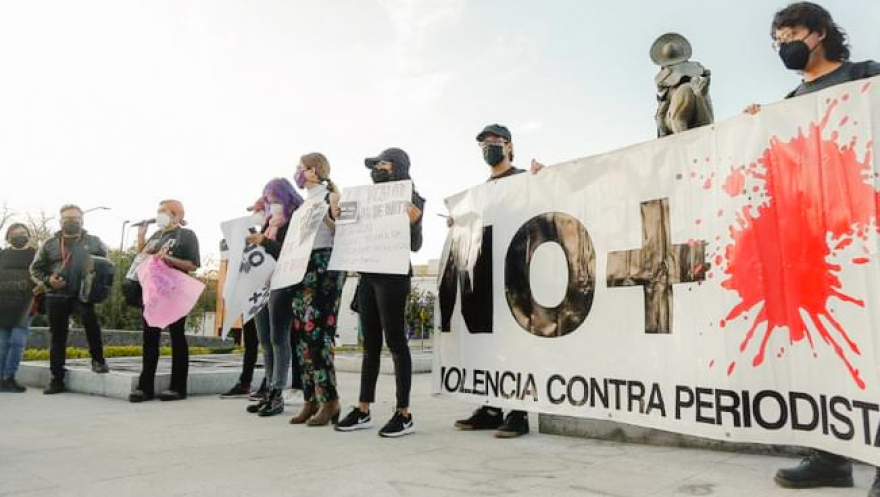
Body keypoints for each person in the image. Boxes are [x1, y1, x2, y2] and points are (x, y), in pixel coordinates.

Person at [742, 3, 880, 495]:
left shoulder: (866, 76)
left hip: (865, 229)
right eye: (778, 39)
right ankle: (831, 457)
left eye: (792, 33)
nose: (784, 45)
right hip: (818, 243)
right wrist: (755, 127)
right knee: (831, 350)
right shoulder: (790, 102)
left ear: (819, 33)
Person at [451, 124, 543, 438]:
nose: (488, 147)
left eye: (494, 141)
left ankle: (519, 413)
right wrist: (458, 221)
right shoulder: (480, 193)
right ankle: (491, 408)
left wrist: (546, 180)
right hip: (486, 273)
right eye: (483, 144)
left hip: (517, 271)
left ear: (509, 146)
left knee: (517, 342)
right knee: (489, 343)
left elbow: (546, 203)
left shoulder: (525, 179)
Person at [335, 147, 425, 438]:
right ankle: (363, 408)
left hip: (393, 276)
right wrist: (340, 217)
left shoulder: (412, 197)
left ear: (397, 167)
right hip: (368, 275)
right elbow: (351, 234)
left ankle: (404, 413)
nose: (376, 169)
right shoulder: (365, 199)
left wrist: (414, 223)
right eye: (374, 165)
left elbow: (416, 245)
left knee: (396, 341)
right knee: (370, 344)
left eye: (382, 164)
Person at [285, 153, 345, 427]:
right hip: (301, 266)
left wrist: (328, 218)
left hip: (324, 264)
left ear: (314, 171)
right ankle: (311, 398)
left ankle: (329, 400)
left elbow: (342, 230)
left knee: (317, 334)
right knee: (301, 335)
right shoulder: (302, 205)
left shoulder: (331, 197)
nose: (297, 172)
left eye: (301, 168)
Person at [31, 204, 110, 395]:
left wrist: (96, 287)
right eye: (67, 219)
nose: (71, 221)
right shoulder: (49, 244)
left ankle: (98, 361)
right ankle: (56, 378)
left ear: (81, 220)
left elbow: (106, 266)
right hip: (56, 295)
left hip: (83, 294)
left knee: (92, 325)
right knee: (57, 336)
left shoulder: (94, 242)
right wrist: (48, 280)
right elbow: (35, 269)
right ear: (60, 221)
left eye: (75, 218)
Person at [129, 200, 200, 402]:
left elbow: (192, 264)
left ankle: (178, 387)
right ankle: (145, 387)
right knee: (150, 337)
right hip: (153, 292)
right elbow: (142, 258)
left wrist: (169, 259)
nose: (159, 215)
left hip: (175, 290)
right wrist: (141, 237)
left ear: (176, 215)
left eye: (164, 211)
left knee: (177, 336)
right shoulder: (157, 235)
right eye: (158, 211)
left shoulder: (186, 235)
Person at [249, 178, 308, 417]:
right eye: (268, 200)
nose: (271, 204)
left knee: (278, 339)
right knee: (264, 339)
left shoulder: (294, 221)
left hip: (283, 284)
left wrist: (265, 242)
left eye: (274, 199)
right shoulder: (269, 223)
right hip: (261, 284)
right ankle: (268, 389)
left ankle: (277, 392)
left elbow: (289, 253)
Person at [0, 224, 37, 393]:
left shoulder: (35, 255)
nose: (19, 236)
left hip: (25, 304)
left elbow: (42, 274)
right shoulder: (2, 255)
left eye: (23, 233)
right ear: (8, 237)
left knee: (17, 342)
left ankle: (9, 377)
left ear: (28, 235)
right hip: (3, 304)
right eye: (15, 233)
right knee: (2, 343)